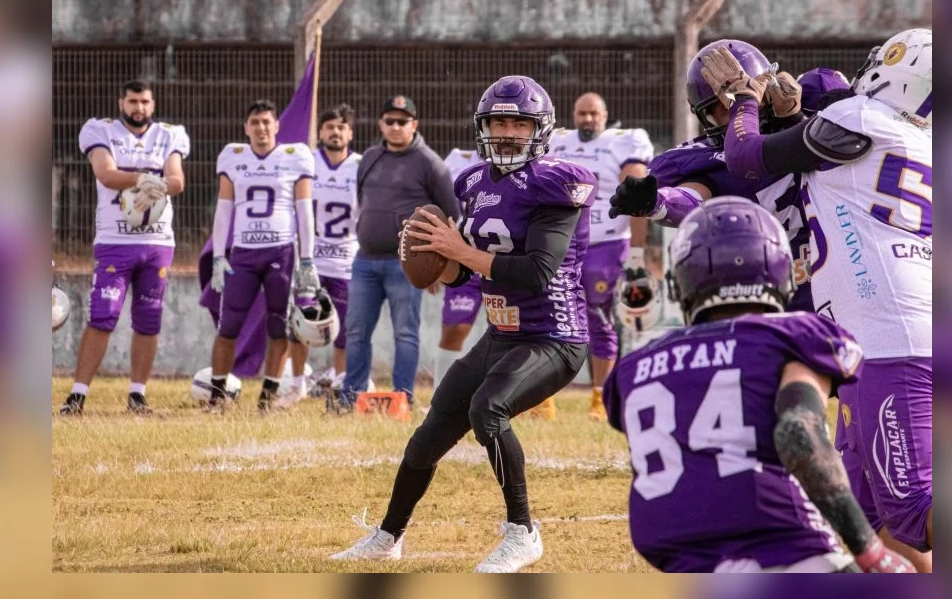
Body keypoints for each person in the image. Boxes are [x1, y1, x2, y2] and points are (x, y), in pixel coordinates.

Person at [330, 75, 596, 572]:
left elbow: (537, 272)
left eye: (519, 122)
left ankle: (523, 532)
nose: (508, 132)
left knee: (487, 410)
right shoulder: (472, 182)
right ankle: (389, 536)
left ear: (540, 129)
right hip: (502, 333)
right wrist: (442, 263)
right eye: (499, 121)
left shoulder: (557, 182)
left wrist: (460, 252)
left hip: (555, 337)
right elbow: (464, 275)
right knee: (430, 432)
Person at [706, 28, 933, 570]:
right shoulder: (913, 137)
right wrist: (798, 106)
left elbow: (745, 155)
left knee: (914, 511)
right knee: (860, 513)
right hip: (884, 330)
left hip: (889, 335)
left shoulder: (860, 118)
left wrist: (744, 98)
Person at [605, 197, 914, 573]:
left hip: (680, 563)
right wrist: (869, 550)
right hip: (785, 553)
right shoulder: (794, 334)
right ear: (779, 269)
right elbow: (798, 433)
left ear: (683, 279)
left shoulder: (634, 365)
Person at [607, 41, 849, 314]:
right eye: (722, 108)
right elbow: (693, 198)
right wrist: (656, 201)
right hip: (762, 301)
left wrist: (794, 120)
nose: (735, 113)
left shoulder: (814, 128)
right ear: (704, 115)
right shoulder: (706, 158)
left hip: (840, 288)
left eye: (739, 101)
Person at [61, 80, 188, 415]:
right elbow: (106, 174)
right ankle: (77, 395)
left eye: (144, 102)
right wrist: (144, 178)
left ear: (153, 104)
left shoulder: (169, 134)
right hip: (115, 241)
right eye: (132, 101)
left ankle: (137, 395)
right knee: (103, 316)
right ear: (121, 102)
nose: (139, 108)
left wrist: (155, 181)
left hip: (157, 242)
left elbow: (177, 180)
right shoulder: (100, 131)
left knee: (149, 319)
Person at [340, 96, 460, 407]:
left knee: (405, 333)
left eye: (402, 121)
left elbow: (450, 216)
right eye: (390, 121)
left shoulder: (430, 162)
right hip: (364, 259)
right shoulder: (368, 158)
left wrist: (434, 263)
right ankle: (350, 398)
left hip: (404, 264)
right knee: (355, 331)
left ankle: (401, 398)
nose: (395, 127)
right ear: (381, 124)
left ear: (414, 125)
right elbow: (362, 203)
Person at [205, 99, 319, 412]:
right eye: (255, 122)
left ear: (277, 126)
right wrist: (218, 255)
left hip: (281, 251)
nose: (261, 128)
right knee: (228, 326)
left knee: (278, 325)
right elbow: (223, 209)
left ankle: (267, 397)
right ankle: (217, 395)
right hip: (242, 253)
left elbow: (304, 211)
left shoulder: (295, 156)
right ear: (246, 128)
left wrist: (307, 260)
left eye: (267, 122)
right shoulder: (233, 155)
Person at [548, 93, 654, 419]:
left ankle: (599, 396)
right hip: (562, 245)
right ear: (573, 114)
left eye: (594, 114)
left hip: (605, 244)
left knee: (599, 319)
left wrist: (637, 252)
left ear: (605, 115)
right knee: (549, 318)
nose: (588, 119)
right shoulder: (556, 140)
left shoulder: (624, 143)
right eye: (582, 113)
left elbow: (637, 192)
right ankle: (541, 397)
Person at [288, 104, 360, 396]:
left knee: (344, 331)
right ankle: (295, 386)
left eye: (341, 127)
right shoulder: (307, 162)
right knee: (300, 325)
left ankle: (341, 382)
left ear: (350, 133)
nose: (335, 132)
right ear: (320, 132)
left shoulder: (361, 164)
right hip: (310, 263)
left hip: (346, 260)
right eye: (329, 126)